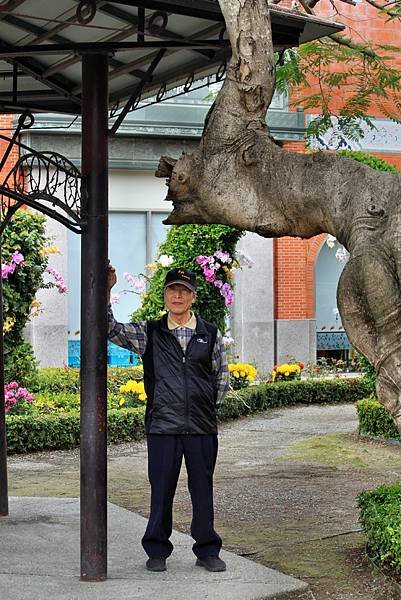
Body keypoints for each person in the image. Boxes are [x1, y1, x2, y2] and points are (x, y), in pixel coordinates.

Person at [107, 264, 230, 573]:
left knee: (202, 489)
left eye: (184, 290)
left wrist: (204, 407)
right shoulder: (149, 332)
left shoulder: (210, 333)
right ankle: (157, 549)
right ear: (164, 295)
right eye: (173, 289)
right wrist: (107, 290)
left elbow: (221, 378)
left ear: (193, 296)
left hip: (201, 428)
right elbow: (109, 329)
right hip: (163, 426)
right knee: (161, 489)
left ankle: (207, 550)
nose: (178, 295)